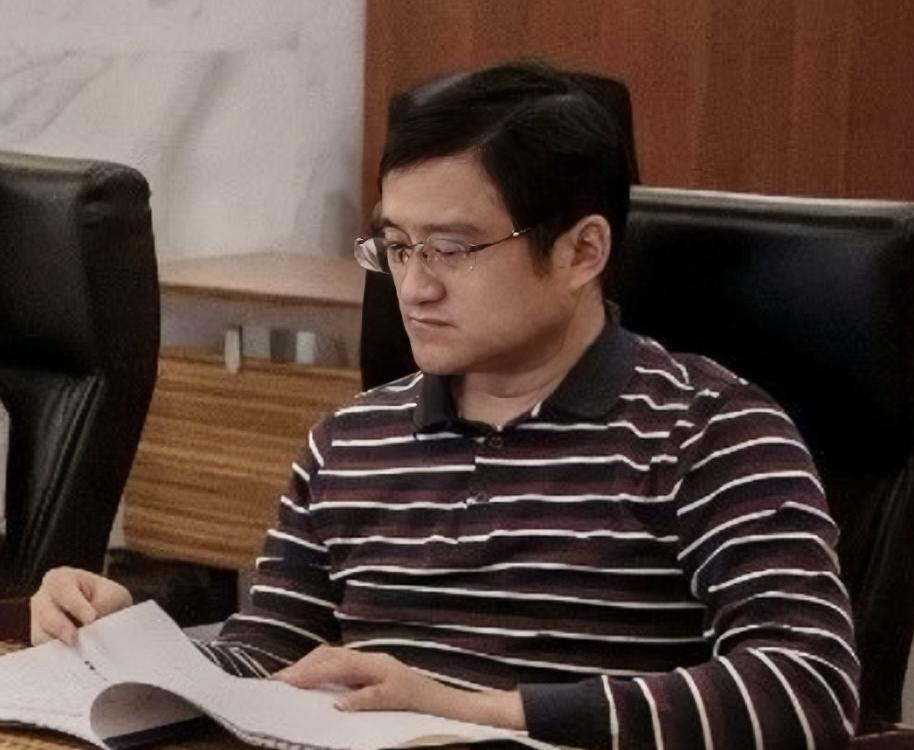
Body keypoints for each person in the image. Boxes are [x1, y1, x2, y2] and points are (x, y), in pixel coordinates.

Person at [28, 62, 859, 749]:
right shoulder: (351, 441)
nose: (414, 288)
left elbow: (806, 686)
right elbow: (269, 657)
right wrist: (131, 644)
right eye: (397, 247)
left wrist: (480, 711)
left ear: (582, 252)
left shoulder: (709, 430)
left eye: (453, 250)